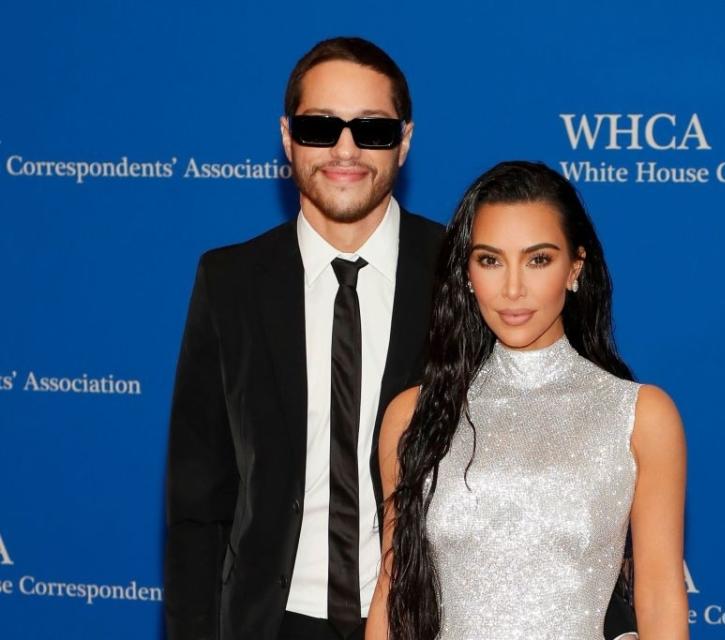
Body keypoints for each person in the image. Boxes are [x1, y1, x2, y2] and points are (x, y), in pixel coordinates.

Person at [164, 37, 444, 640]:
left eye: (371, 130)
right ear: (288, 137)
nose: (345, 149)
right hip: (271, 624)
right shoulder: (230, 282)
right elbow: (197, 500)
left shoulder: (461, 274)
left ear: (406, 140)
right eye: (321, 127)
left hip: (423, 623)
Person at [367, 162, 689, 640]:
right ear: (467, 273)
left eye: (538, 259)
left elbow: (660, 595)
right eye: (490, 260)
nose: (512, 289)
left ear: (575, 268)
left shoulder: (640, 415)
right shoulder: (414, 415)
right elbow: (392, 595)